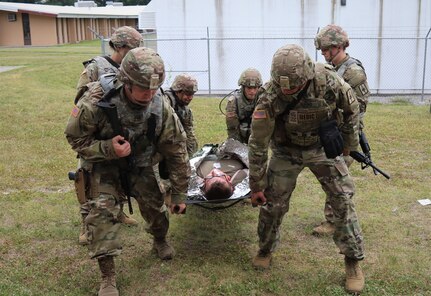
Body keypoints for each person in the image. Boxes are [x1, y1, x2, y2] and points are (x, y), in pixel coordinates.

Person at [65, 47, 190, 296]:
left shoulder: (160, 105)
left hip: (141, 164)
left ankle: (159, 239)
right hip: (104, 166)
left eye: (154, 88)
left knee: (157, 210)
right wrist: (108, 148)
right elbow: (75, 139)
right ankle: (108, 277)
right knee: (100, 214)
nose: (149, 94)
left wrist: (179, 194)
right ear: (126, 81)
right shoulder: (96, 100)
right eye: (143, 88)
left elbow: (176, 150)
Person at [248, 44, 365, 294]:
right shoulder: (270, 95)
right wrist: (256, 184)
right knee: (273, 203)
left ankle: (352, 261)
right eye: (284, 86)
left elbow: (351, 109)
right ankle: (265, 248)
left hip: (321, 147)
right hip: (286, 150)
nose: (288, 90)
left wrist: (348, 145)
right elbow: (257, 143)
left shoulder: (329, 81)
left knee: (343, 200)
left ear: (307, 75)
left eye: (294, 86)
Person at [74, 26, 143, 245]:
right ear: (120, 46)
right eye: (131, 49)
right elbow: (80, 101)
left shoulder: (131, 68)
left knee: (120, 177)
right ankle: (87, 224)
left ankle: (118, 211)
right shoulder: (96, 67)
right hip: (96, 135)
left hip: (121, 134)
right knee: (90, 181)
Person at [313, 24, 371, 236]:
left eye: (326, 49)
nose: (323, 53)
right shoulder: (333, 69)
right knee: (332, 176)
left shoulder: (353, 72)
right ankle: (335, 217)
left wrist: (348, 142)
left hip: (343, 133)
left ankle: (334, 221)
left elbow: (358, 109)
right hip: (331, 132)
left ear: (338, 46)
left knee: (337, 179)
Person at [164, 74, 199, 157]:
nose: (190, 98)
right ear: (177, 91)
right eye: (187, 94)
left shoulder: (185, 111)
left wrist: (191, 157)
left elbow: (189, 134)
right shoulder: (165, 104)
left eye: (192, 94)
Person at [225, 68, 262, 143]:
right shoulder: (233, 101)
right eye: (249, 88)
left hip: (257, 135)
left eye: (255, 88)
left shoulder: (262, 100)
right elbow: (232, 129)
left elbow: (263, 125)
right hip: (239, 134)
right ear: (243, 87)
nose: (252, 91)